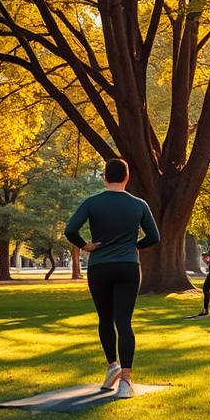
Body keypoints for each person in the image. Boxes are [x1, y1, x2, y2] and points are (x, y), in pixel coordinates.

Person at [65, 158, 159, 399]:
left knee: (105, 319)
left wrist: (86, 246)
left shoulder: (92, 203)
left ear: (104, 177)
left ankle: (112, 365)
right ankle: (125, 381)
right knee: (124, 322)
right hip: (128, 266)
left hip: (100, 267)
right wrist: (134, 245)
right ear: (127, 177)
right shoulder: (139, 204)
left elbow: (70, 230)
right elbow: (154, 236)